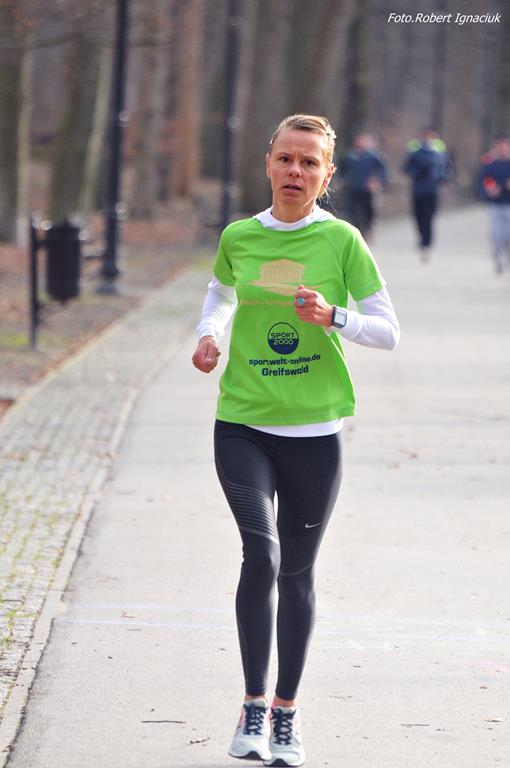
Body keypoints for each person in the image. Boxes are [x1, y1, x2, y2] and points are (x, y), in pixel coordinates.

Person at [192, 114, 400, 767]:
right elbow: (220, 295)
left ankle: (286, 712)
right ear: (268, 163)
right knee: (262, 554)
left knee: (298, 573)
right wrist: (209, 335)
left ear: (327, 174)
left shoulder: (341, 241)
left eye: (310, 162)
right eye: (286, 158)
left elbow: (388, 330)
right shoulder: (240, 236)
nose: (295, 171)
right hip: (243, 423)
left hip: (315, 432)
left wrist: (334, 317)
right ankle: (252, 706)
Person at [403, 126, 451, 259]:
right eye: (426, 136)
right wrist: (417, 171)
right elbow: (407, 168)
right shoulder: (415, 153)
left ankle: (426, 243)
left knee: (429, 217)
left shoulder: (439, 154)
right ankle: (422, 237)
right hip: (418, 190)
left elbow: (446, 169)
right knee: (418, 216)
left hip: (432, 191)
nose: (428, 139)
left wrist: (444, 180)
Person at [339, 131, 388, 240]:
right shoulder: (350, 156)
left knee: (368, 211)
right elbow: (341, 169)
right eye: (359, 140)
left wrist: (377, 181)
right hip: (352, 188)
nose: (361, 143)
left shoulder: (373, 156)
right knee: (351, 211)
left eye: (364, 140)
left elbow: (383, 171)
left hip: (367, 190)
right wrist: (342, 180)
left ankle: (368, 229)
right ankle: (355, 232)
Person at [478, 133, 510, 274]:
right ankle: (498, 259)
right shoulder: (490, 165)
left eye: (505, 145)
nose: (503, 149)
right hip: (495, 205)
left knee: (508, 234)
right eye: (500, 146)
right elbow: (483, 182)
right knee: (497, 234)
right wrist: (489, 189)